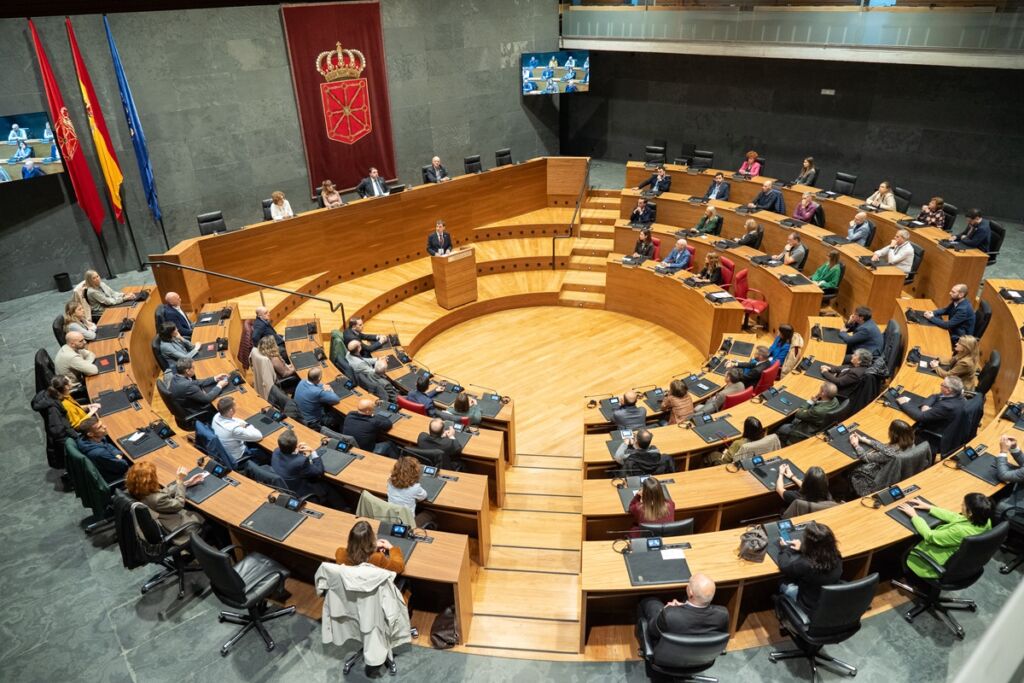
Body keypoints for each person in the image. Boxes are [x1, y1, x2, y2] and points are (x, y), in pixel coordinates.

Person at [898, 493, 992, 579]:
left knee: (906, 544)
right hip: (965, 561)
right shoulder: (985, 520)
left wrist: (914, 515)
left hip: (931, 565)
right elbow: (956, 517)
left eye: (963, 505)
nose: (961, 506)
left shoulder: (960, 531)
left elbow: (929, 536)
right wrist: (929, 507)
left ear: (970, 512)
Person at [636, 573, 729, 648]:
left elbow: (652, 631)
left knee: (651, 601)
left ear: (690, 592)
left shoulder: (669, 615)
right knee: (684, 599)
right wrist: (684, 606)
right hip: (699, 656)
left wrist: (665, 610)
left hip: (668, 656)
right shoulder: (723, 614)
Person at [126, 461, 206, 544]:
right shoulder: (157, 499)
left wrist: (186, 483)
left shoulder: (137, 489)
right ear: (149, 481)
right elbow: (179, 504)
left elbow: (162, 492)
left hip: (162, 517)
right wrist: (179, 480)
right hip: (177, 526)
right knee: (202, 516)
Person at [777, 521, 843, 612]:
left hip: (808, 607)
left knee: (782, 582)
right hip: (829, 600)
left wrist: (785, 549)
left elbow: (784, 566)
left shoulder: (806, 564)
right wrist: (802, 548)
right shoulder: (837, 556)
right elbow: (820, 551)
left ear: (809, 544)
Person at [847, 419, 915, 498]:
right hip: (899, 473)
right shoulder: (911, 443)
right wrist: (865, 440)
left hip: (881, 477)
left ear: (894, 435)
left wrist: (856, 444)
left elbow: (864, 457)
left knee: (853, 471)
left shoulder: (889, 454)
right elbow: (885, 448)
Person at [271, 429, 338, 505]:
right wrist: (313, 452)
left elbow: (289, 460)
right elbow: (319, 472)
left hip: (284, 487)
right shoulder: (301, 461)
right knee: (329, 486)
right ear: (295, 446)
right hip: (299, 491)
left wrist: (296, 452)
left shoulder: (276, 452)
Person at [896, 376, 967, 433]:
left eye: (942, 385)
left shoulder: (946, 406)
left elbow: (921, 417)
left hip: (936, 427)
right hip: (940, 417)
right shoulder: (956, 394)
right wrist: (925, 406)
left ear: (948, 390)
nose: (941, 385)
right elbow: (935, 396)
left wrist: (904, 403)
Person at [335, 520, 406, 573]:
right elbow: (399, 567)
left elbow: (358, 553)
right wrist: (391, 548)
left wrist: (373, 547)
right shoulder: (377, 558)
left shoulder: (340, 553)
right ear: (371, 538)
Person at [211, 397, 264, 466]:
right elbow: (259, 436)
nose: (236, 407)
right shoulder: (234, 429)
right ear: (230, 411)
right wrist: (247, 425)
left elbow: (235, 420)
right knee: (263, 452)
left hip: (226, 451)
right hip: (240, 456)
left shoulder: (216, 416)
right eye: (235, 405)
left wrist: (240, 424)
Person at [707, 415, 779, 466]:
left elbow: (726, 460)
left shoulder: (739, 443)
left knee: (712, 454)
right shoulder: (768, 438)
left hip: (733, 465)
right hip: (758, 461)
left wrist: (726, 453)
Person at [76, 417, 130, 482]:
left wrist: (117, 454)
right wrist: (120, 458)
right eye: (100, 427)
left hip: (112, 464)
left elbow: (108, 445)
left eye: (102, 424)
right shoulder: (99, 453)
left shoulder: (89, 439)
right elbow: (123, 466)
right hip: (116, 476)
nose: (105, 427)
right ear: (90, 434)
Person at [924, 283, 975, 348]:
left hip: (959, 338)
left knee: (932, 339)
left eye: (953, 292)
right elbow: (946, 310)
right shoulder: (958, 301)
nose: (950, 293)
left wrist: (931, 317)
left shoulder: (963, 310)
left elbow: (947, 325)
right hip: (953, 330)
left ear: (961, 295)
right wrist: (933, 313)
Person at [295, 367, 342, 432]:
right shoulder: (317, 392)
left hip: (301, 415)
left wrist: (323, 386)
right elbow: (336, 399)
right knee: (340, 416)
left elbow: (318, 385)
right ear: (319, 378)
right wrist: (329, 390)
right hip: (314, 422)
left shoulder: (302, 381)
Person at [994, 435, 1024, 519]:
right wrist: (1014, 448)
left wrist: (1003, 452)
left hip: (1019, 508)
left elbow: (1004, 475)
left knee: (1000, 504)